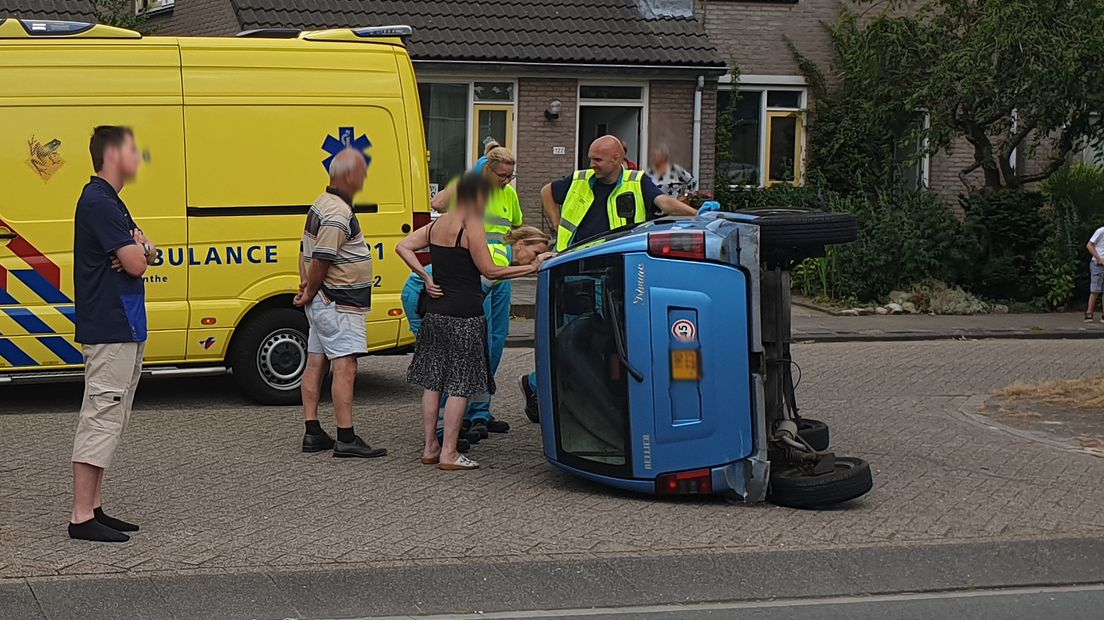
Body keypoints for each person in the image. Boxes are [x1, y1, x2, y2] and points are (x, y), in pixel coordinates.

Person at [522, 135, 697, 419]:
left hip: (616, 273)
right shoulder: (580, 179)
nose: (592, 165)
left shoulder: (636, 182)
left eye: (598, 160)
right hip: (575, 272)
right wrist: (556, 224)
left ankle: (579, 394)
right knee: (572, 339)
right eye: (590, 158)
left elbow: (664, 203)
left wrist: (697, 215)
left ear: (616, 159)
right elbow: (546, 191)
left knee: (604, 339)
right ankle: (540, 386)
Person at [397, 174, 542, 470]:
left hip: (436, 312)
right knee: (460, 386)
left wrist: (426, 277)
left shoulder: (437, 224)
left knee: (433, 383)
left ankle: (430, 448)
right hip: (465, 314)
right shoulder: (471, 226)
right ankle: (449, 453)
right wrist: (532, 267)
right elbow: (489, 270)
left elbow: (403, 246)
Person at [69, 126, 156, 543]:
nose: (140, 156)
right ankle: (81, 516)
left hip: (125, 325)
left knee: (112, 416)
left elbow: (145, 252)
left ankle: (96, 508)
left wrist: (140, 251)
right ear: (113, 155)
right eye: (133, 150)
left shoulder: (113, 202)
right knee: (101, 414)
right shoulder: (99, 202)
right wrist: (137, 253)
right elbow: (138, 262)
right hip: (110, 324)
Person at [401, 226, 551, 445]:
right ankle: (441, 433)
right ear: (520, 244)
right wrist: (532, 268)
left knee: (472, 358)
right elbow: (475, 295)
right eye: (535, 252)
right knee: (445, 368)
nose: (535, 258)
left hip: (438, 297)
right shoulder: (497, 256)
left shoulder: (500, 255)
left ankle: (468, 419)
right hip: (424, 296)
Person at [294, 148, 386, 459]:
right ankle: (345, 437)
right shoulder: (337, 212)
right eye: (361, 172)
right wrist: (311, 289)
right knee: (345, 366)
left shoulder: (321, 203)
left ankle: (313, 432)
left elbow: (304, 250)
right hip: (339, 302)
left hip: (324, 300)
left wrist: (307, 286)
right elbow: (322, 258)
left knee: (316, 361)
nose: (364, 178)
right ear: (348, 175)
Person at [429, 147, 524, 435]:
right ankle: (454, 419)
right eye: (503, 175)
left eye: (511, 175)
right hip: (473, 278)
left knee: (493, 345)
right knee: (468, 347)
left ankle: (480, 411)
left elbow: (514, 228)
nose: (507, 181)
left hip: (500, 279)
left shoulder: (509, 193)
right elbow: (438, 202)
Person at [1086, 225, 1104, 322]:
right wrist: (1098, 258)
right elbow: (1089, 245)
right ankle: (1089, 313)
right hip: (1097, 264)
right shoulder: (1101, 231)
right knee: (1095, 289)